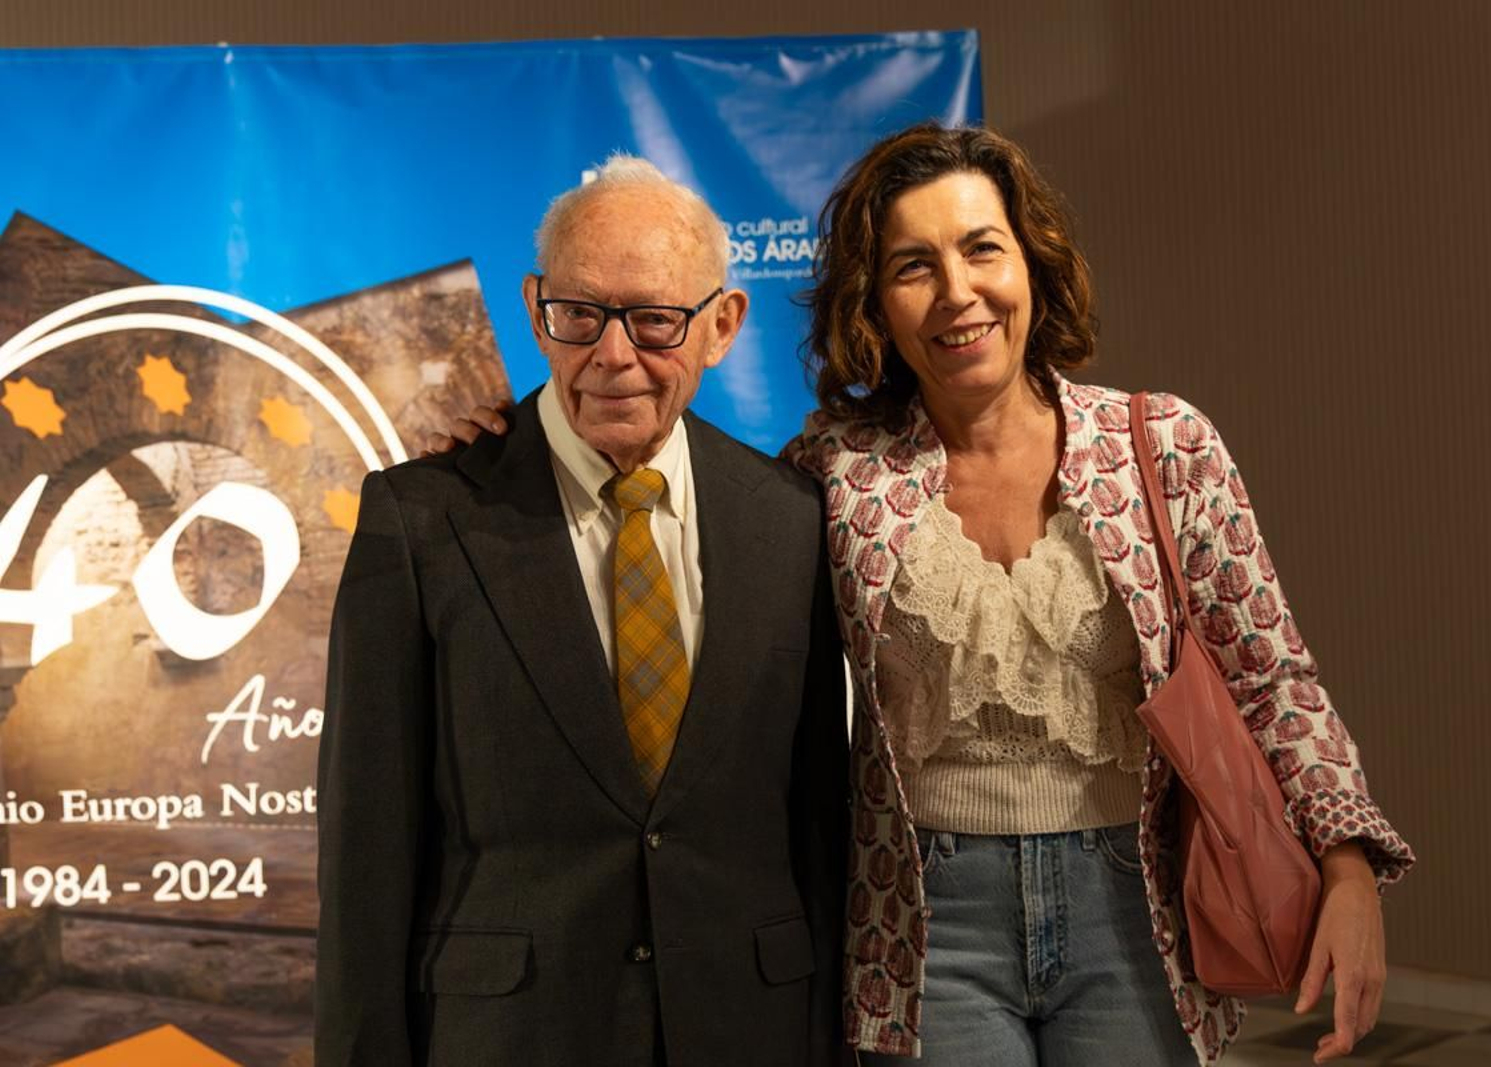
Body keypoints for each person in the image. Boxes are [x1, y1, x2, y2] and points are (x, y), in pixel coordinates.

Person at [434, 124, 1415, 1067]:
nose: (957, 294)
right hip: (925, 930)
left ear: (1030, 263)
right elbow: (680, 488)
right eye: (912, 267)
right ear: (874, 302)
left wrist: (1348, 865)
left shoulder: (1162, 445)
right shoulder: (832, 471)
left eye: (981, 250)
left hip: (1136, 909)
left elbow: (1272, 676)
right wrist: (507, 451)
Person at [316, 156, 848, 1067]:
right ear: (535, 308)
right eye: (580, 315)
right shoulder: (424, 517)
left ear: (722, 325)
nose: (612, 355)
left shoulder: (791, 518)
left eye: (652, 320)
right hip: (508, 1037)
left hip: (750, 1030)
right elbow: (366, 847)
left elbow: (817, 821)